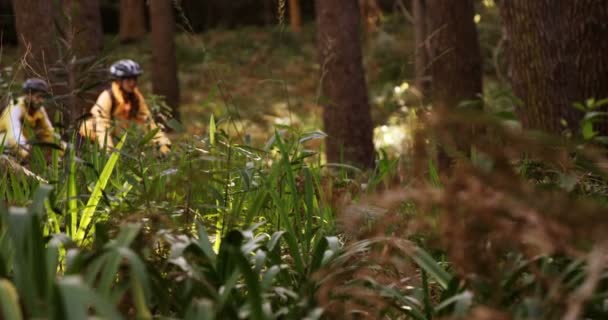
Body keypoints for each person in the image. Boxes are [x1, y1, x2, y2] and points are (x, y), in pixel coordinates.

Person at [79, 59, 171, 154]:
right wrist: (109, 151)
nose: (132, 83)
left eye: (134, 79)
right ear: (118, 81)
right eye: (128, 79)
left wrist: (162, 143)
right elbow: (101, 126)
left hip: (113, 139)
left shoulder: (135, 97)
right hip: (90, 139)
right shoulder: (107, 97)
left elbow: (147, 121)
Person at [0, 78, 63, 159]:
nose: (41, 100)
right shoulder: (15, 107)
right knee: (7, 142)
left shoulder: (39, 110)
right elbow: (14, 134)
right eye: (38, 97)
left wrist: (62, 150)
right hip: (6, 140)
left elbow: (49, 132)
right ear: (28, 95)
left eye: (43, 97)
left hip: (24, 143)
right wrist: (27, 154)